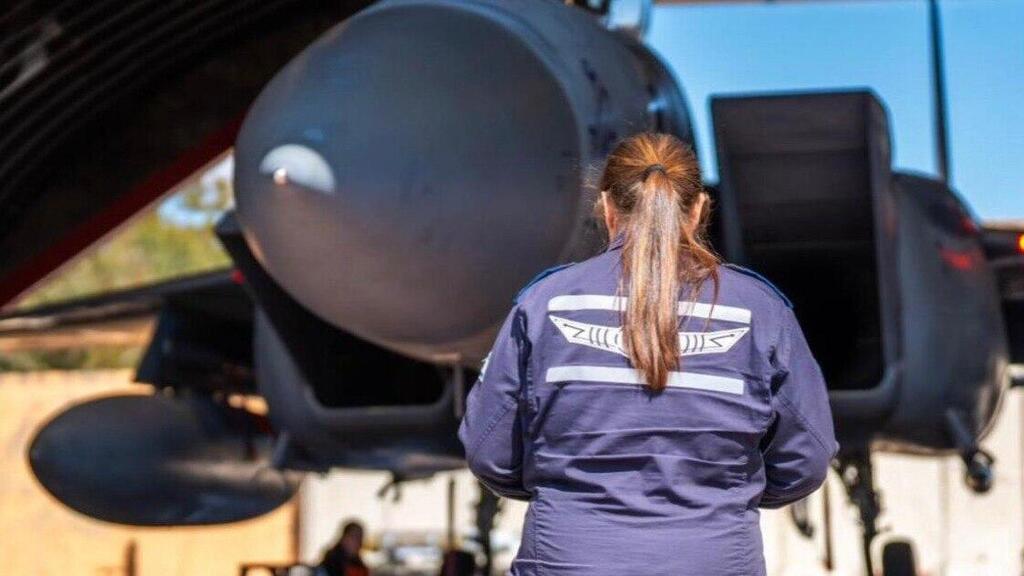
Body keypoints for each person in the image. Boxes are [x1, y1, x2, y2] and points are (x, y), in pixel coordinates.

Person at [459, 132, 838, 575]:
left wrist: (564, 492)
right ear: (699, 208)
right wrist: (727, 496)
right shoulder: (762, 311)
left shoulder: (543, 304)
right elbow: (808, 457)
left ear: (606, 206)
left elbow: (488, 452)